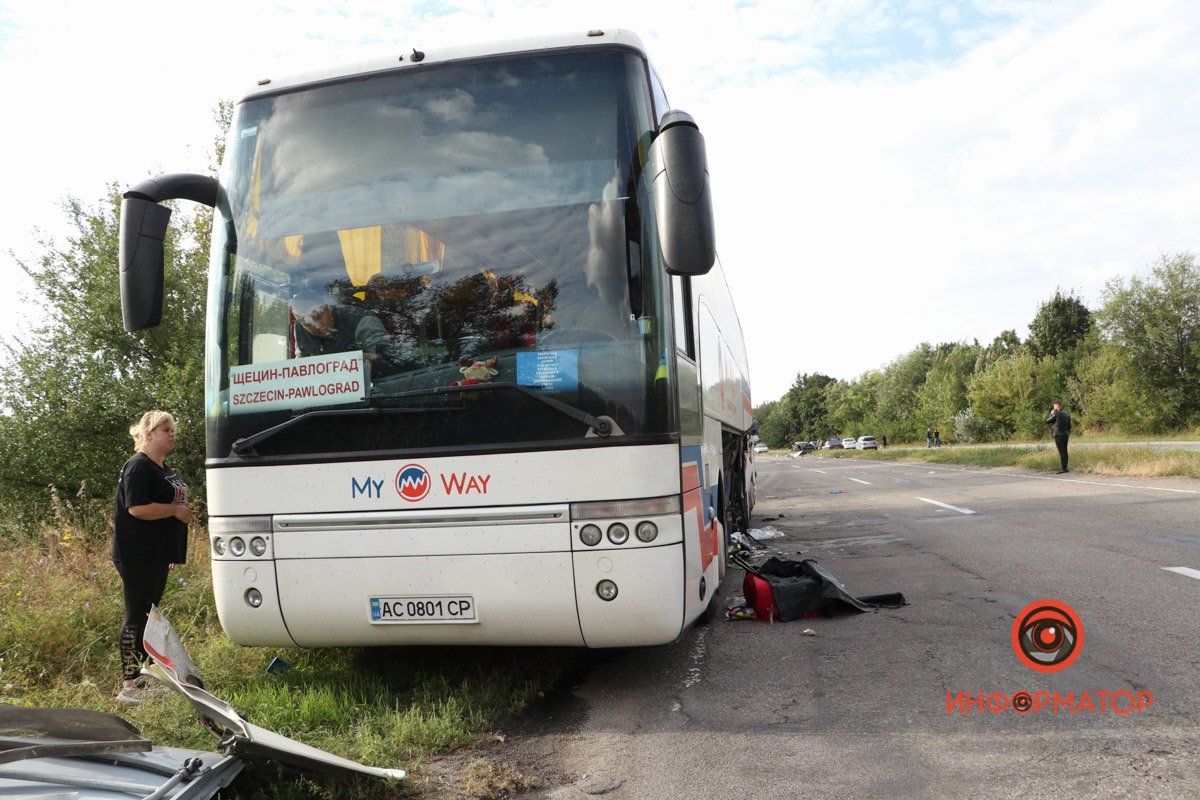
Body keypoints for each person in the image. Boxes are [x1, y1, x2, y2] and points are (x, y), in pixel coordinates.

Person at [112, 411, 192, 703]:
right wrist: (173, 511)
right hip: (137, 554)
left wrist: (169, 548)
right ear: (147, 434)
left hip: (157, 554)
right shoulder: (138, 467)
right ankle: (129, 685)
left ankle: (143, 677)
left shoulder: (160, 466)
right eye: (164, 429)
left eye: (173, 429)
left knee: (149, 614)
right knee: (137, 614)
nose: (172, 434)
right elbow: (137, 509)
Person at [291, 290, 401, 376]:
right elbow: (300, 366)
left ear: (328, 308)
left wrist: (354, 360)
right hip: (326, 397)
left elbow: (389, 360)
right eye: (307, 324)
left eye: (319, 316)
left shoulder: (362, 321)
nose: (317, 326)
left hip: (374, 393)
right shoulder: (299, 329)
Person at [1047, 400, 1072, 473]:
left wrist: (1051, 413)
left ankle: (1063, 469)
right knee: (1065, 451)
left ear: (1057, 406)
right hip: (1065, 434)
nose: (1053, 408)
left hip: (1058, 435)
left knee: (1062, 452)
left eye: (1054, 406)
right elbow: (1069, 426)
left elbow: (1048, 421)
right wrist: (1067, 433)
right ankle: (1065, 467)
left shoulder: (1056, 413)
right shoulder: (1067, 414)